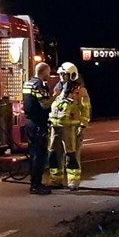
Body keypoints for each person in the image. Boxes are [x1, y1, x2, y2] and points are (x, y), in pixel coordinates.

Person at [48, 62, 91, 191]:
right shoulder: (57, 89)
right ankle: (56, 180)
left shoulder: (80, 91)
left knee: (71, 155)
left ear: (71, 75)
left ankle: (73, 181)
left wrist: (82, 125)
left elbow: (86, 109)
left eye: (64, 74)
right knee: (54, 154)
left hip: (71, 128)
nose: (61, 77)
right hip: (55, 127)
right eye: (60, 74)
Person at [22, 62, 53, 195]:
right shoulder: (38, 85)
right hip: (38, 124)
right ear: (44, 72)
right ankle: (36, 185)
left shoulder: (28, 83)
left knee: (34, 153)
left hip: (29, 123)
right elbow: (45, 105)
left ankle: (34, 182)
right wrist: (56, 96)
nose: (49, 75)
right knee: (39, 155)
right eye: (49, 72)